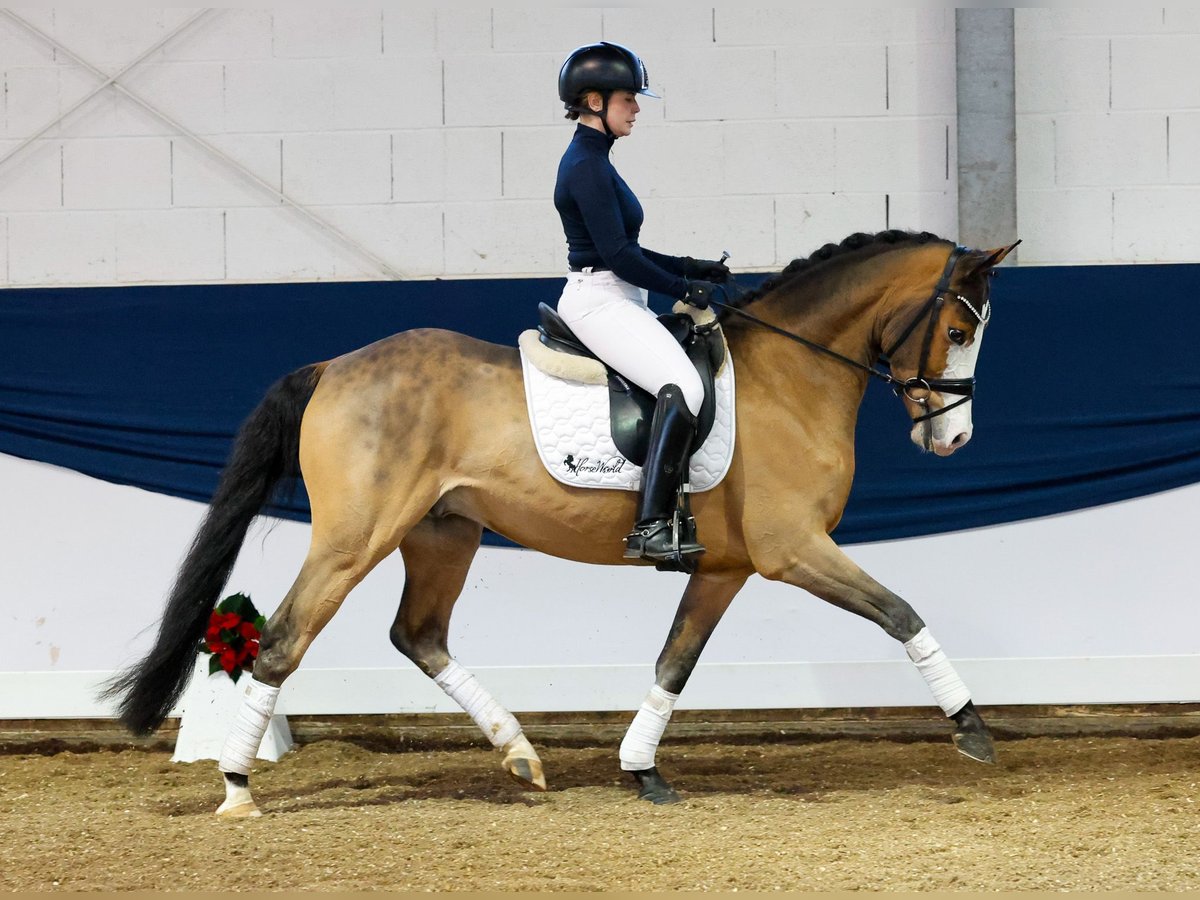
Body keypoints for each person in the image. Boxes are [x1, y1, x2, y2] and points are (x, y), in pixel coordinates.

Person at [554, 41, 730, 568]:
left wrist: (688, 267)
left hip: (618, 296)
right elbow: (617, 256)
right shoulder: (586, 165)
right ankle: (652, 525)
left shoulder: (595, 160)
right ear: (593, 100)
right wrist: (683, 290)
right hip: (600, 301)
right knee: (684, 387)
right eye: (628, 98)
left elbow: (626, 249)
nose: (636, 108)